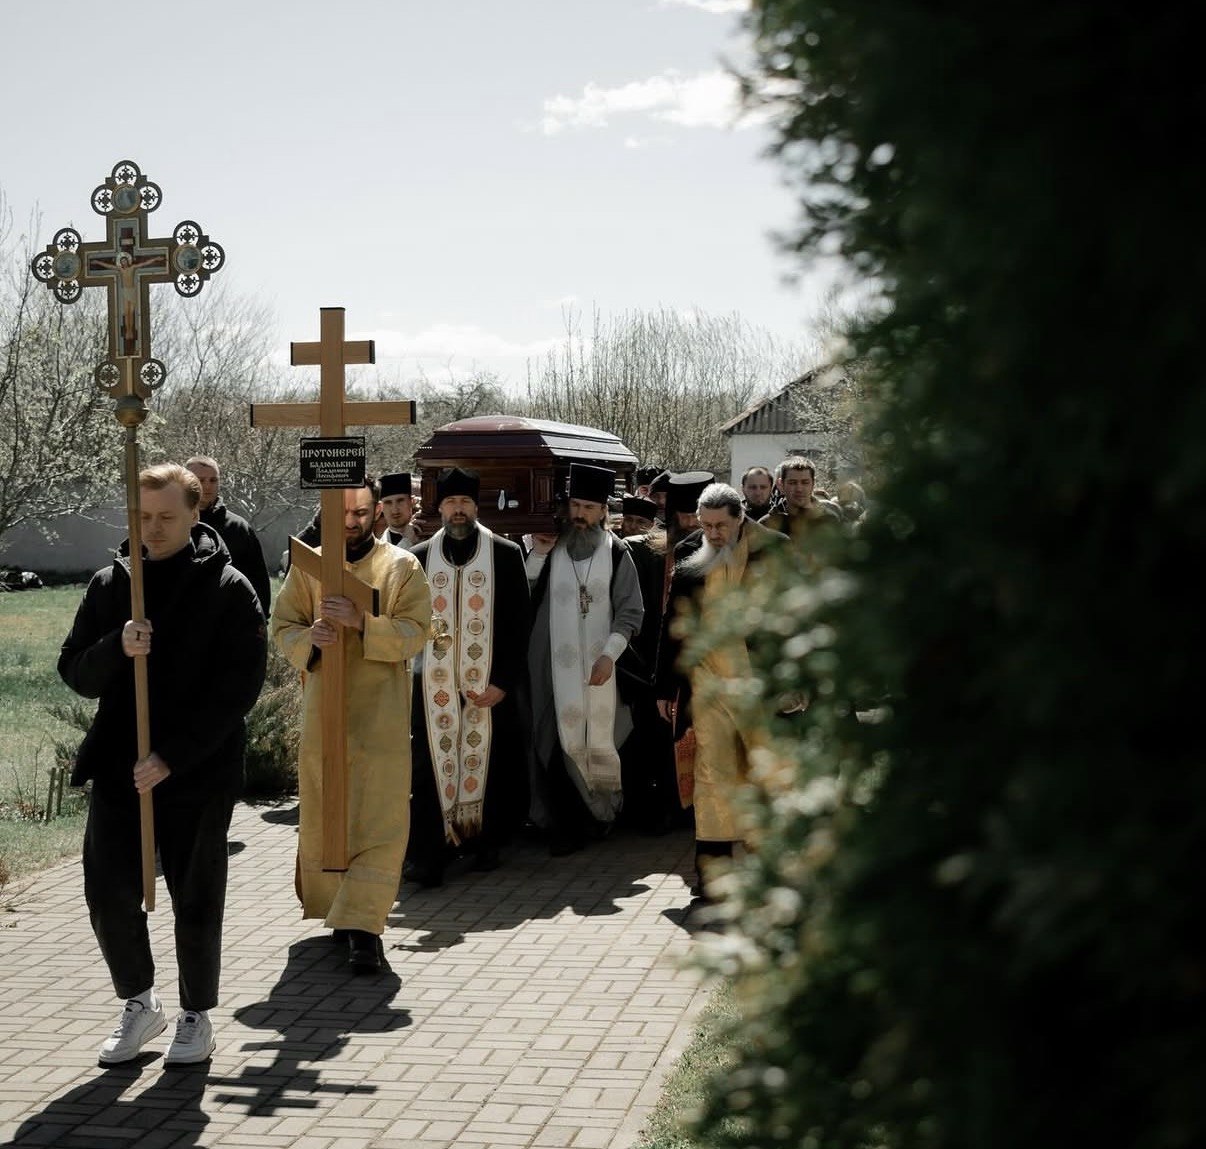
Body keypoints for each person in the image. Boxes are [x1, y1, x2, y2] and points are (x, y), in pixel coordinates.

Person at [58, 462, 267, 1066]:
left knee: (195, 897)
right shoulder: (111, 585)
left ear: (195, 513)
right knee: (108, 894)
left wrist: (172, 756)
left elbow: (238, 690)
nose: (152, 528)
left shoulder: (228, 588)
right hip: (121, 766)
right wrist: (116, 646)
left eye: (166, 517)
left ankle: (196, 1014)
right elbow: (74, 671)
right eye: (143, 516)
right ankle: (139, 1002)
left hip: (198, 770)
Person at [270, 482, 432, 974]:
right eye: (342, 513)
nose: (351, 522)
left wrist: (364, 622)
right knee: (330, 812)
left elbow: (417, 632)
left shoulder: (402, 566)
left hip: (381, 716)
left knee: (380, 817)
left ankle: (365, 928)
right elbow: (283, 627)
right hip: (326, 714)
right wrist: (311, 638)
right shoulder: (309, 567)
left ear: (376, 512)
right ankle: (342, 913)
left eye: (361, 512)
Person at [656, 482, 787, 900]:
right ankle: (712, 876)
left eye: (721, 526)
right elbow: (673, 622)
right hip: (707, 685)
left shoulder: (773, 549)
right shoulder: (690, 551)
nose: (712, 534)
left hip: (759, 687)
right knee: (711, 778)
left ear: (739, 518)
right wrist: (665, 685)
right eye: (706, 525)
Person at [405, 467, 531, 886]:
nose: (458, 510)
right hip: (432, 687)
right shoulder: (419, 557)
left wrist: (503, 682)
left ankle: (483, 842)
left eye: (465, 503)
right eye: (450, 503)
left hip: (488, 686)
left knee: (488, 762)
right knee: (430, 767)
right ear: (439, 508)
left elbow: (519, 625)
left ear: (476, 507)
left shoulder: (505, 554)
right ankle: (431, 853)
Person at [526, 463, 644, 854]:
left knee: (603, 740)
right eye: (575, 505)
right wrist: (538, 554)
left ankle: (601, 815)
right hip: (553, 672)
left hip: (601, 669)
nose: (580, 514)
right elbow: (525, 593)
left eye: (589, 508)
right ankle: (566, 825)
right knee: (555, 739)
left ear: (603, 511)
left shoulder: (618, 553)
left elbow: (631, 612)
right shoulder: (550, 547)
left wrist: (609, 656)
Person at [618, 471, 712, 833]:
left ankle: (692, 808)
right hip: (651, 665)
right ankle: (660, 809)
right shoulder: (645, 551)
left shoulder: (721, 553)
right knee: (653, 742)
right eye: (683, 517)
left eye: (696, 518)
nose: (690, 526)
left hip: (702, 666)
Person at [185, 455, 273, 615]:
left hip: (230, 617)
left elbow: (258, 578)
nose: (207, 486)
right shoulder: (172, 522)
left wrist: (260, 618)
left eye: (213, 480)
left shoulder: (238, 527)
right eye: (200, 480)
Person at [761, 456, 843, 541]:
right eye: (792, 483)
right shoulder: (767, 524)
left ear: (813, 483)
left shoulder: (829, 521)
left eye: (805, 482)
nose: (799, 489)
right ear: (780, 484)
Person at [378, 472, 421, 549]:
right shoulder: (376, 548)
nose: (395, 509)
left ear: (412, 502)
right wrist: (407, 541)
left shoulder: (426, 535)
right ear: (381, 507)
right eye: (388, 502)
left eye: (400, 501)